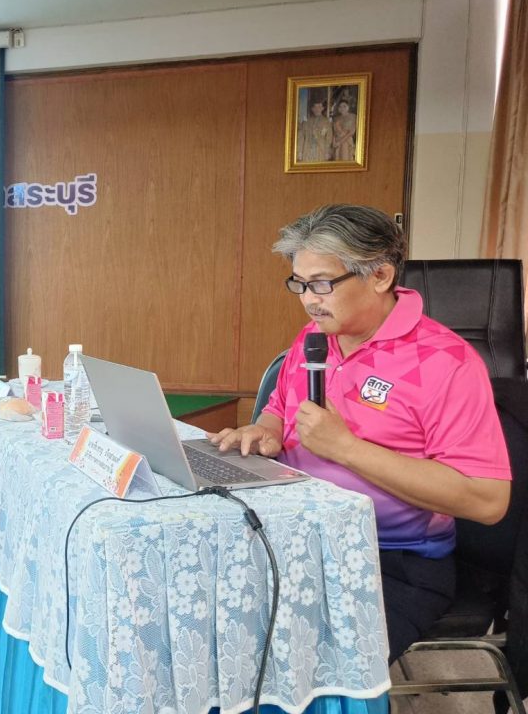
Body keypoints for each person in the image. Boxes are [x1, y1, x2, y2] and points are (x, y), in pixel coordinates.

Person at [210, 204, 512, 663]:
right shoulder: (313, 338)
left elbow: (487, 501)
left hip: (389, 560)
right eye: (299, 283)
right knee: (212, 633)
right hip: (292, 537)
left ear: (380, 275)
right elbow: (278, 409)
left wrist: (347, 449)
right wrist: (266, 431)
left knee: (294, 665)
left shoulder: (446, 362)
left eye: (322, 283)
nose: (309, 300)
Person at [296, 98, 332, 162]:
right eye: (315, 107)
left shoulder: (326, 122)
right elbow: (301, 136)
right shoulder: (306, 121)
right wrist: (300, 152)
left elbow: (329, 138)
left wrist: (327, 152)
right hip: (307, 150)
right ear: (312, 109)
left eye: (319, 107)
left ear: (322, 108)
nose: (317, 109)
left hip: (321, 150)